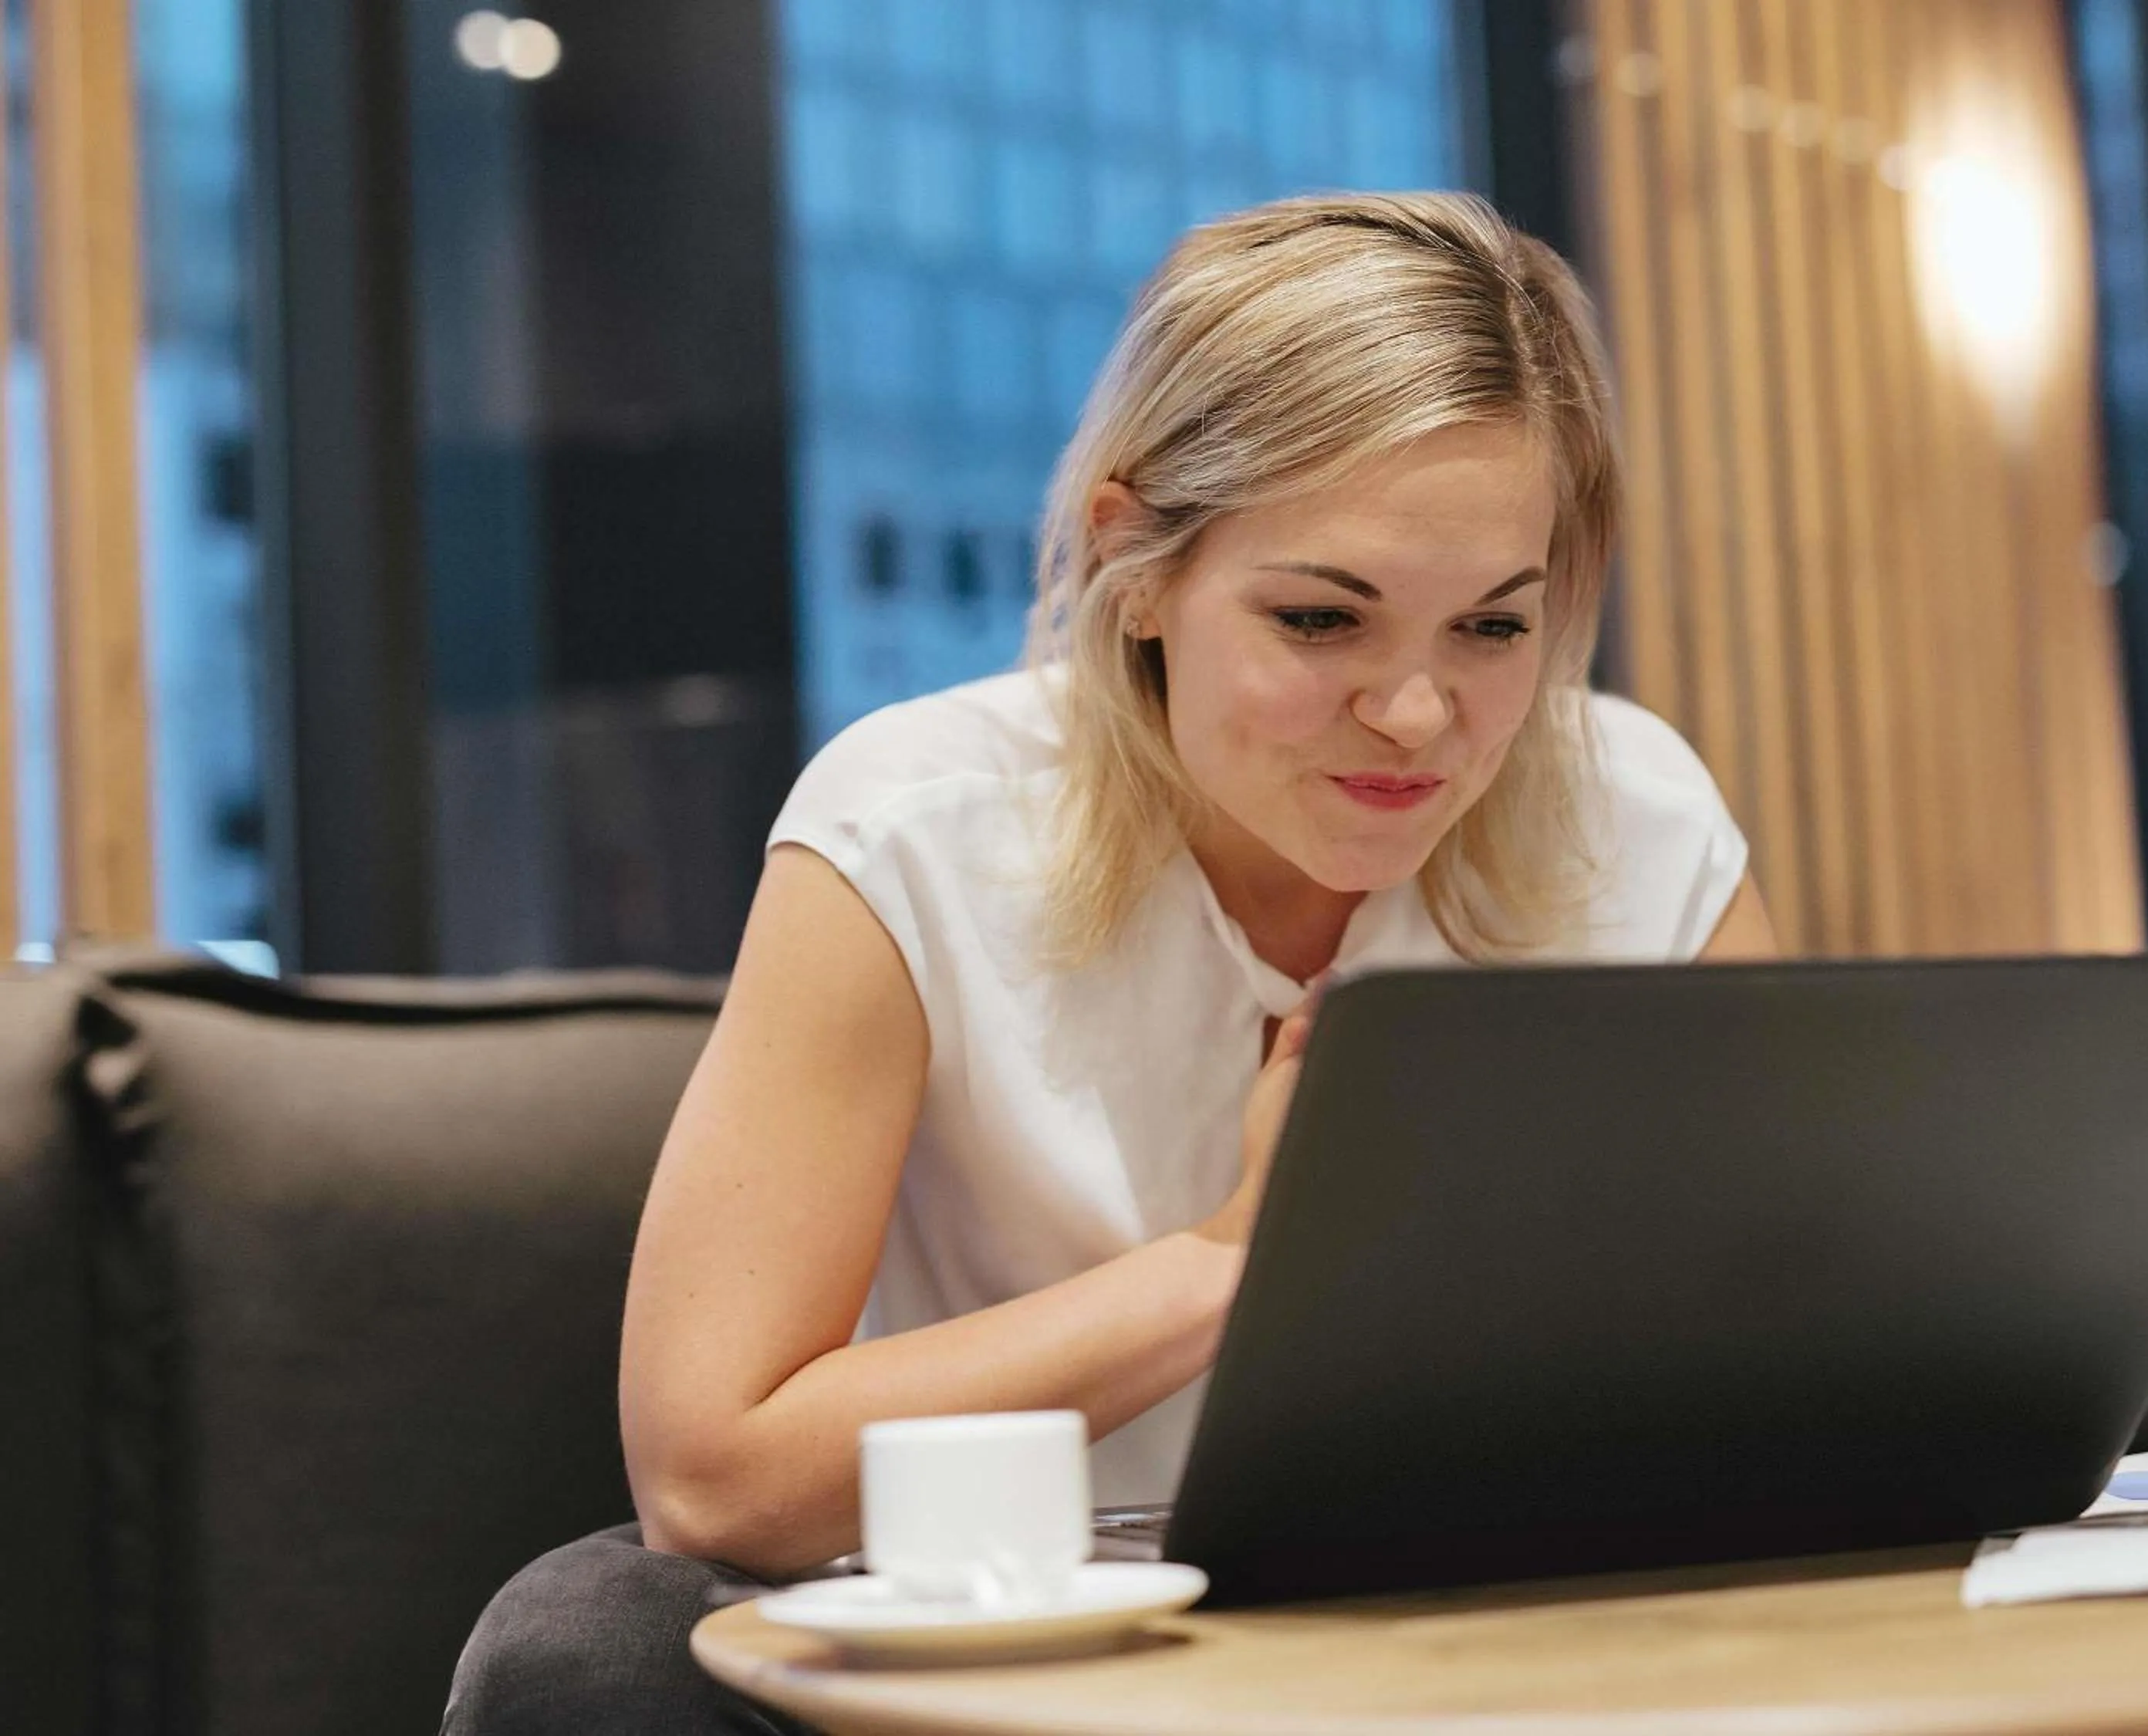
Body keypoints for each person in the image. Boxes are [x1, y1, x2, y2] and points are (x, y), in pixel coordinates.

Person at [442, 189, 1776, 1734]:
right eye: (1322, 619)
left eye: (1492, 629)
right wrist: (1241, 1258)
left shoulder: (1635, 818)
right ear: (1133, 562)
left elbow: (1787, 1351)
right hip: (1031, 1666)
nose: (1418, 715)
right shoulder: (917, 828)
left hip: (1508, 1642)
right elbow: (712, 1473)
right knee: (586, 1654)